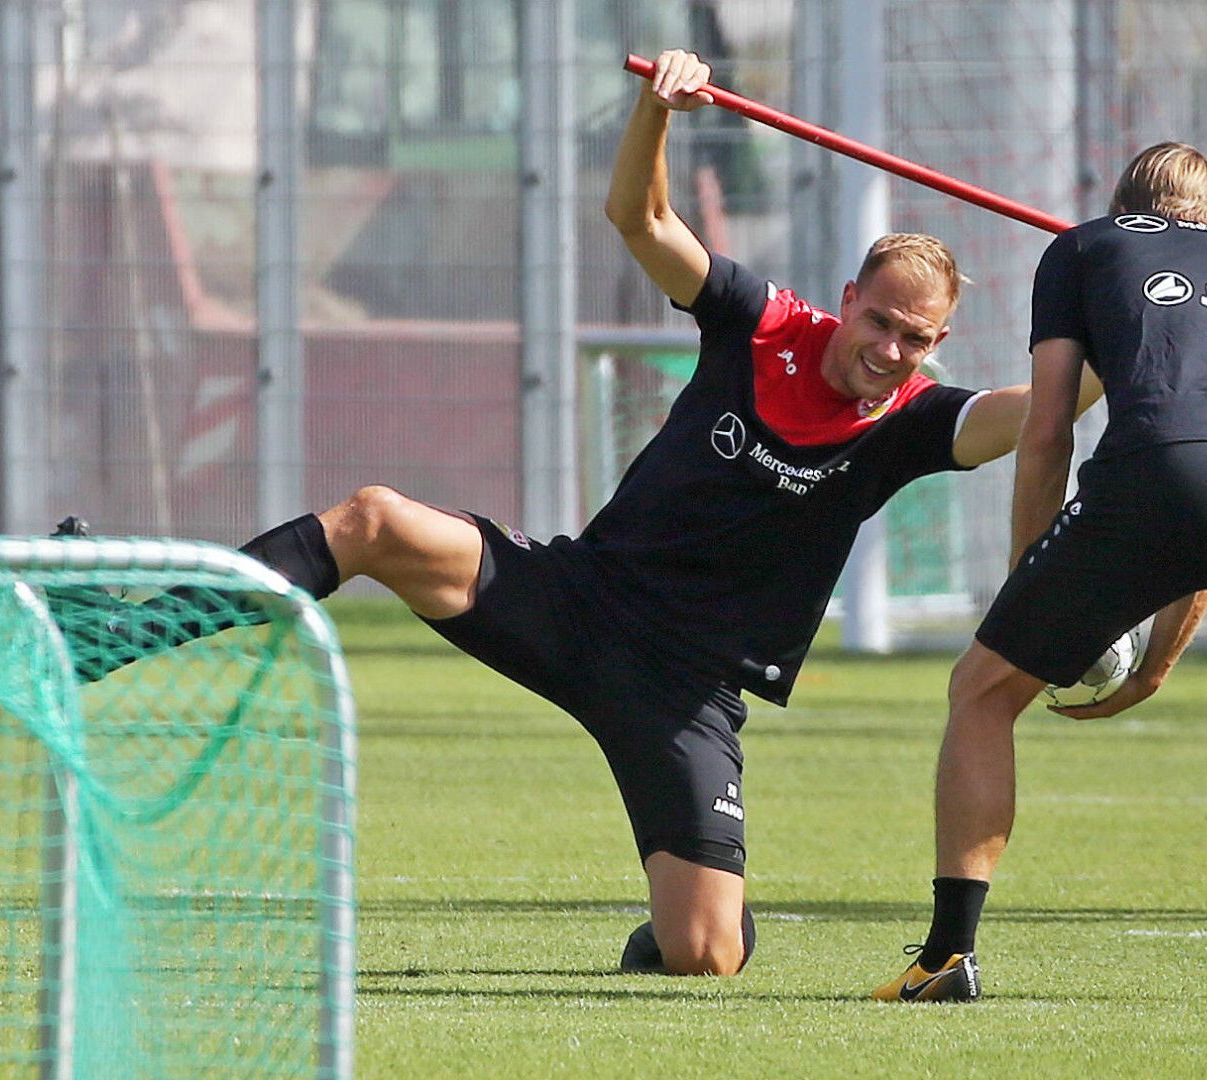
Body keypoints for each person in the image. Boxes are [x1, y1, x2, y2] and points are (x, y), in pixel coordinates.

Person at [54, 48, 1097, 977]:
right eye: (883, 322)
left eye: (920, 340)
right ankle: (122, 629)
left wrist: (1129, 312)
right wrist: (661, 111)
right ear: (848, 297)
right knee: (372, 519)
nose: (894, 351)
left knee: (704, 954)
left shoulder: (911, 422)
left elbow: (1032, 412)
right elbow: (637, 219)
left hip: (685, 690)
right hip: (578, 599)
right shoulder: (757, 319)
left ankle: (687, 918)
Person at [872, 142, 1207, 1005]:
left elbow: (1049, 427)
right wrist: (1156, 664)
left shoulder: (1084, 246)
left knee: (982, 691)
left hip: (1162, 467)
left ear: (1125, 200)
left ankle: (946, 955)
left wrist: (1028, 585)